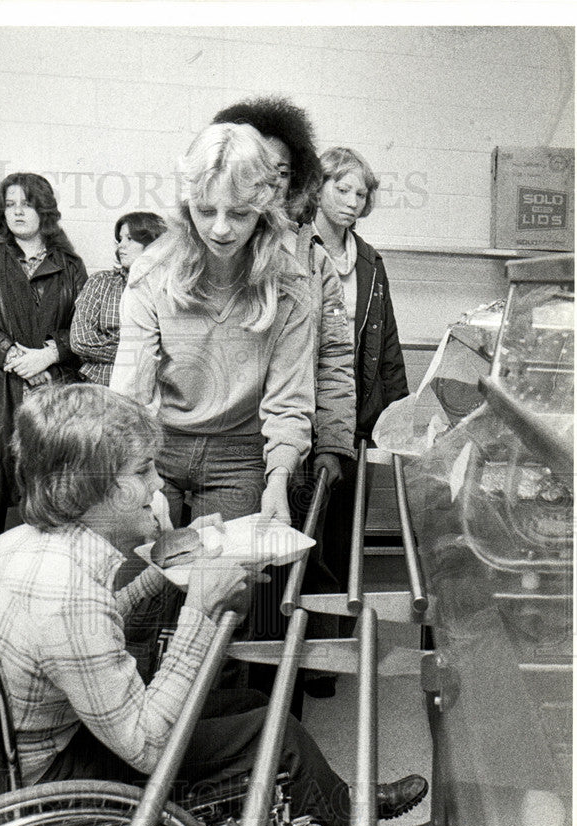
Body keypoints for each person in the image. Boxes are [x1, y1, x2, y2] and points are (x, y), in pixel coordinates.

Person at [0, 383, 429, 826]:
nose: (158, 483)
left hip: (28, 754)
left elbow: (79, 642)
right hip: (63, 785)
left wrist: (165, 570)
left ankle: (337, 808)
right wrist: (200, 609)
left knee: (248, 702)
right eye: (143, 470)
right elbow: (147, 748)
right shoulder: (69, 594)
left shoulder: (20, 547)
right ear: (94, 487)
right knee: (275, 736)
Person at [111, 122, 315, 531]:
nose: (221, 228)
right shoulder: (151, 274)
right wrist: (128, 469)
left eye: (239, 213)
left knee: (223, 584)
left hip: (240, 457)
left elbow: (288, 402)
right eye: (206, 211)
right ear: (188, 208)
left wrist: (277, 480)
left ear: (263, 210)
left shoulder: (290, 286)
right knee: (144, 575)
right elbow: (131, 389)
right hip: (157, 447)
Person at [211, 97, 356, 490]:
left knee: (292, 546)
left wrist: (333, 441)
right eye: (260, 166)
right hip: (219, 454)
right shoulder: (215, 247)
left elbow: (335, 359)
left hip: (294, 447)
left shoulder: (315, 262)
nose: (272, 180)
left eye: (284, 171)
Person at [0, 172, 87, 576]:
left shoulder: (70, 265)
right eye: (9, 205)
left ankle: (42, 582)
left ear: (43, 209)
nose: (17, 212)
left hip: (50, 392)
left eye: (25, 203)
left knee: (50, 492)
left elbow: (85, 328)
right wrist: (15, 356)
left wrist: (49, 355)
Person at [314, 147, 409, 599]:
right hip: (300, 408)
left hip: (356, 415)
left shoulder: (370, 261)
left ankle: (328, 659)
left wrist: (398, 419)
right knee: (293, 540)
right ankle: (281, 653)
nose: (353, 200)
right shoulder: (292, 248)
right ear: (318, 187)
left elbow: (387, 344)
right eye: (342, 188)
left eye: (362, 192)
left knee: (340, 541)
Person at [71, 211, 166, 386]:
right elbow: (79, 341)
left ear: (152, 242)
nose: (121, 246)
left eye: (130, 239)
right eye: (120, 239)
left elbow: (172, 347)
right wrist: (139, 348)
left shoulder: (167, 288)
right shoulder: (100, 282)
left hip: (151, 389)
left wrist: (111, 342)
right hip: (99, 387)